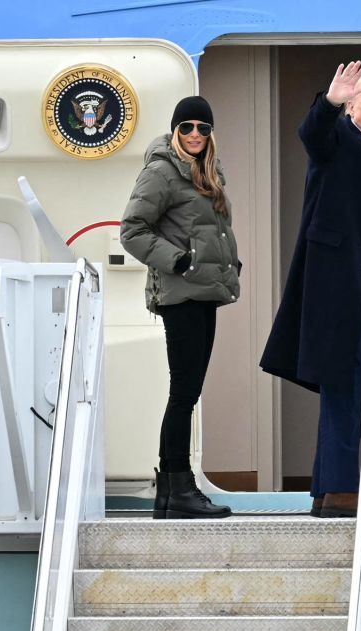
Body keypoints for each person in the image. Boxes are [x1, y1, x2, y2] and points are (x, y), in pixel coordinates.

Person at [260, 62, 361, 518]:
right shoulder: (338, 136)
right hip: (342, 287)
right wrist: (327, 104)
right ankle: (344, 490)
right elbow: (313, 135)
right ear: (350, 105)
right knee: (346, 385)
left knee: (355, 386)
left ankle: (329, 490)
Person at [121, 95, 241, 519]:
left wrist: (228, 265)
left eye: (202, 129)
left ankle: (169, 494)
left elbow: (212, 231)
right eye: (186, 127)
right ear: (175, 131)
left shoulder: (207, 171)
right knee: (183, 394)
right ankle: (181, 487)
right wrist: (178, 260)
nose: (194, 135)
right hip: (182, 293)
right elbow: (132, 230)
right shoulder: (162, 171)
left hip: (204, 292)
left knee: (186, 394)